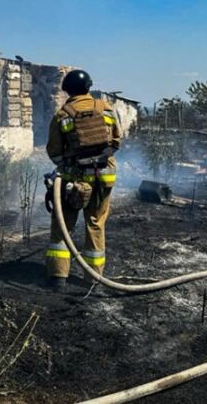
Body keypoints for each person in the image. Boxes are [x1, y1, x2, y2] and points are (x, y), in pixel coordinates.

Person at [45, 69, 121, 291]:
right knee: (96, 224)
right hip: (103, 178)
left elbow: (54, 151)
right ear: (89, 86)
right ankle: (93, 280)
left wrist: (69, 166)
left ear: (67, 90)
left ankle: (58, 277)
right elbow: (115, 142)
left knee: (63, 225)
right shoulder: (106, 108)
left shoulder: (63, 114)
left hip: (73, 181)